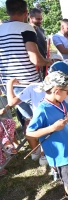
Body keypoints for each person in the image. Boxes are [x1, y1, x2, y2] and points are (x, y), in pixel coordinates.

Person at [26, 71, 68, 200]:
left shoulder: (61, 103)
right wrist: (52, 128)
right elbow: (29, 133)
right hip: (60, 154)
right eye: (67, 92)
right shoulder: (42, 109)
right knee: (67, 178)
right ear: (57, 91)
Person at [4, 61, 68, 166]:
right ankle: (45, 158)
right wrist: (9, 84)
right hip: (51, 123)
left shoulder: (35, 87)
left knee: (49, 141)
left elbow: (11, 102)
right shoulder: (37, 88)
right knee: (49, 141)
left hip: (53, 124)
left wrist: (9, 84)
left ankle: (42, 156)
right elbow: (11, 103)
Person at [0, 0, 52, 132]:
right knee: (41, 118)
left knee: (29, 120)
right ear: (26, 12)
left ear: (7, 12)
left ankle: (36, 151)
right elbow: (35, 58)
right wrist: (47, 61)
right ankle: (44, 149)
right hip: (29, 83)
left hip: (9, 85)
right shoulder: (26, 28)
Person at [29, 8, 47, 79]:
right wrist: (38, 62)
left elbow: (43, 46)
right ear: (31, 17)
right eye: (38, 19)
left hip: (43, 63)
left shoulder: (41, 30)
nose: (40, 21)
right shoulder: (27, 30)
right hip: (35, 65)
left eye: (41, 19)